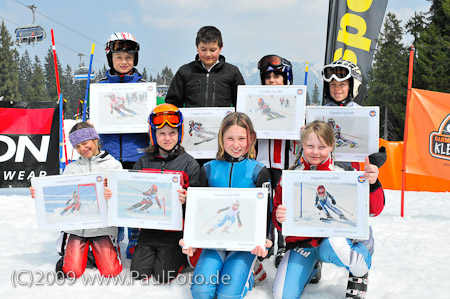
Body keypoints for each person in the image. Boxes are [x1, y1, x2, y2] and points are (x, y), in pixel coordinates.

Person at [272, 120, 385, 299]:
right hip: (303, 245)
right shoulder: (290, 177)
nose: (315, 152)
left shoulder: (344, 173)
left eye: (322, 146)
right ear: (302, 145)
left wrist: (372, 184)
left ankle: (360, 263)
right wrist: (279, 217)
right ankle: (312, 268)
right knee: (282, 295)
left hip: (331, 242)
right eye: (310, 146)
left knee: (335, 244)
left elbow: (374, 210)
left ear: (331, 146)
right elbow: (278, 220)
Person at [180, 112, 273, 299]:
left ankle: (250, 273)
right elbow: (196, 210)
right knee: (201, 291)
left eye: (242, 138)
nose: (236, 144)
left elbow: (267, 212)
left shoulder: (259, 171)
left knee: (226, 295)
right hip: (215, 242)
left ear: (251, 139)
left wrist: (266, 240)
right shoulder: (208, 169)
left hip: (244, 244)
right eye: (230, 138)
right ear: (221, 138)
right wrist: (190, 238)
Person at [30, 122, 123, 279]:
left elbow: (121, 200)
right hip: (77, 227)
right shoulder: (71, 168)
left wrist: (112, 194)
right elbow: (61, 194)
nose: (82, 149)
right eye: (77, 146)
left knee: (111, 271)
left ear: (95, 139)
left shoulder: (114, 165)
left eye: (85, 143)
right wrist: (40, 194)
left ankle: (99, 252)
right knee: (72, 272)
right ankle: (73, 252)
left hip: (102, 227)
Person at [129, 103, 202, 283]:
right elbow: (132, 193)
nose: (167, 138)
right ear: (154, 135)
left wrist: (188, 199)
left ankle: (179, 259)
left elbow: (199, 203)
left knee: (163, 276)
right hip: (149, 229)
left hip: (174, 232)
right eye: (162, 133)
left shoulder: (189, 164)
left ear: (180, 134)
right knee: (138, 273)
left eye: (172, 133)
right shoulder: (144, 162)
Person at [97, 32, 148, 259]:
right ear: (111, 59)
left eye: (129, 56)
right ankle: (113, 235)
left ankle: (136, 236)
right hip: (108, 153)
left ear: (135, 59)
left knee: (134, 196)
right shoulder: (100, 87)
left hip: (136, 152)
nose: (124, 61)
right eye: (119, 56)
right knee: (111, 196)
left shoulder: (143, 86)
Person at [256, 54, 297, 268]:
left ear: (285, 78)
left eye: (277, 76)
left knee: (282, 204)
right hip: (262, 162)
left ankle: (284, 244)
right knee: (264, 202)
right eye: (268, 76)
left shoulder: (294, 103)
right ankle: (266, 241)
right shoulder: (257, 102)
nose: (272, 80)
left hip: (285, 163)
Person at [165, 26, 245, 108]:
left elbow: (241, 103)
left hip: (223, 120)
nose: (208, 54)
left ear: (220, 48)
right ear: (197, 47)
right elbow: (172, 103)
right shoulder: (185, 71)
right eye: (203, 50)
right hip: (192, 120)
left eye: (212, 50)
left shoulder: (232, 72)